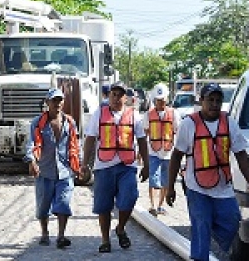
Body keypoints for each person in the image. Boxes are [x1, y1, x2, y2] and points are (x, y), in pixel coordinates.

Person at [166, 83, 249, 261]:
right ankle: (200, 256)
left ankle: (212, 234)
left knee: (232, 221)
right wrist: (170, 187)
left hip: (223, 186)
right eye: (210, 100)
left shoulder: (229, 122)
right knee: (201, 225)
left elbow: (241, 154)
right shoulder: (189, 124)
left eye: (218, 100)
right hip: (196, 186)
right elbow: (176, 156)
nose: (214, 104)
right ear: (201, 101)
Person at [80, 81, 149, 253]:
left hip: (127, 165)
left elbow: (141, 140)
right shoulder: (99, 114)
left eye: (120, 95)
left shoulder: (134, 116)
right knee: (103, 206)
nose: (117, 98)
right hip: (103, 166)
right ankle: (105, 240)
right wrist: (84, 164)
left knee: (130, 197)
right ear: (108, 96)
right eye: (114, 94)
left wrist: (147, 164)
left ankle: (120, 228)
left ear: (126, 98)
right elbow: (90, 138)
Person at [24, 88, 80, 249]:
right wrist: (32, 161)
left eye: (60, 100)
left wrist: (80, 166)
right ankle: (45, 233)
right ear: (47, 103)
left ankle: (61, 236)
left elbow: (76, 145)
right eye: (54, 100)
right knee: (43, 206)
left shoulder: (70, 122)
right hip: (44, 170)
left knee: (63, 203)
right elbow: (32, 144)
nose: (58, 103)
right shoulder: (38, 123)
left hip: (65, 171)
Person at [143, 83, 179, 216]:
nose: (161, 103)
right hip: (153, 151)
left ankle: (160, 205)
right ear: (155, 100)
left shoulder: (173, 114)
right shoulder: (148, 115)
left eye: (163, 100)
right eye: (158, 100)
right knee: (153, 179)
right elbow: (145, 132)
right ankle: (152, 205)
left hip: (168, 152)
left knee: (165, 180)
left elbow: (177, 131)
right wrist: (141, 154)